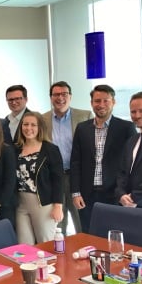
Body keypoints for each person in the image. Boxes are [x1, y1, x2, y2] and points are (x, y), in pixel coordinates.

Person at [70, 84, 136, 233]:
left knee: (114, 235)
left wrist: (125, 192)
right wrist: (75, 192)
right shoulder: (82, 128)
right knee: (89, 234)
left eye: (106, 101)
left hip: (115, 194)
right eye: (97, 101)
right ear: (91, 103)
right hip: (87, 195)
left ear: (114, 102)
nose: (101, 105)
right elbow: (76, 162)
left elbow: (131, 164)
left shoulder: (126, 128)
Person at [42, 81, 92, 235]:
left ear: (70, 96)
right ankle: (60, 253)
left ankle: (85, 249)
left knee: (80, 219)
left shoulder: (85, 116)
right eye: (56, 94)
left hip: (77, 177)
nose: (60, 98)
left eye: (64, 94)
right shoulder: (42, 119)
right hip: (53, 177)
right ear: (51, 97)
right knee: (57, 221)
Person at [15, 112, 64, 244]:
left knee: (46, 244)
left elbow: (58, 179)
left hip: (43, 204)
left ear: (40, 127)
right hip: (20, 204)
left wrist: (58, 206)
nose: (28, 128)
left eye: (33, 125)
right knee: (24, 247)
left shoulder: (50, 149)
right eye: (25, 124)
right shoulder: (15, 149)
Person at [116, 91, 142, 208]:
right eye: (133, 111)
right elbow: (122, 172)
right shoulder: (132, 140)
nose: (137, 115)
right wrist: (121, 195)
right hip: (129, 208)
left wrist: (134, 199)